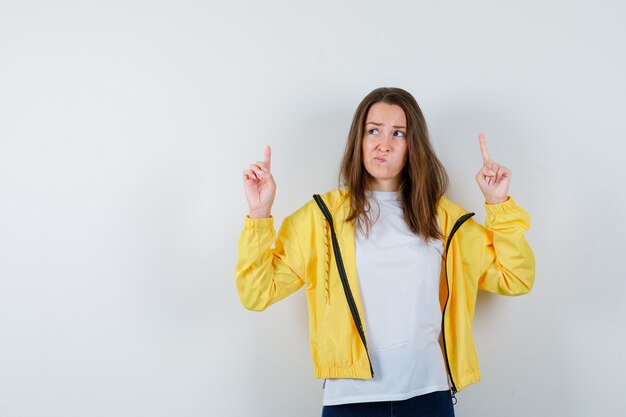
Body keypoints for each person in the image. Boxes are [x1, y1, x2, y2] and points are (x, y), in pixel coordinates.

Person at [235, 87, 535, 417]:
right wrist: (259, 214)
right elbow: (256, 292)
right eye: (373, 130)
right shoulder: (322, 218)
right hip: (350, 400)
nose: (384, 144)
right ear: (359, 140)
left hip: (428, 395)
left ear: (412, 145)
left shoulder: (444, 220)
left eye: (398, 134)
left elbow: (514, 278)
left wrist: (498, 204)